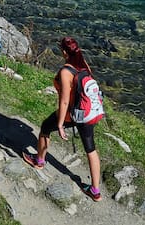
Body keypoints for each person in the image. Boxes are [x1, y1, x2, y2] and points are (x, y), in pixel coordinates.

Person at [22, 36, 103, 201]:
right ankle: (95, 190)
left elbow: (65, 100)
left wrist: (60, 124)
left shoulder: (66, 72)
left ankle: (39, 160)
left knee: (45, 128)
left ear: (65, 52)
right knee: (91, 149)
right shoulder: (84, 65)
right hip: (87, 113)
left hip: (71, 113)